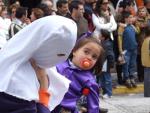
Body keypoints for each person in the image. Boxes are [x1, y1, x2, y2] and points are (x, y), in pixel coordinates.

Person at [0, 15, 77, 113]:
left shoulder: (9, 58)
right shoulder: (20, 87)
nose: (59, 60)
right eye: (59, 54)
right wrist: (43, 85)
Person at [51, 36, 104, 113]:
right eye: (86, 52)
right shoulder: (58, 65)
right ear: (74, 51)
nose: (89, 57)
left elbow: (93, 107)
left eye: (94, 57)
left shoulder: (89, 81)